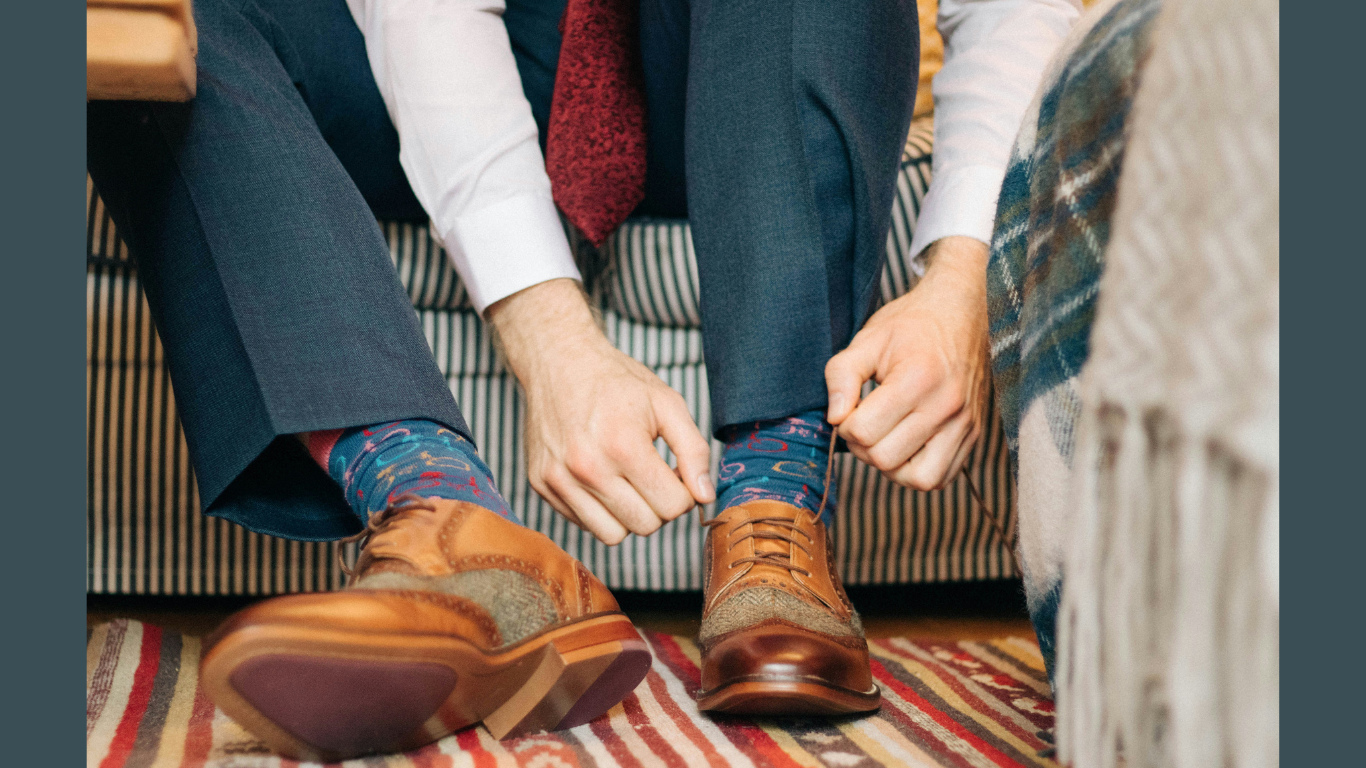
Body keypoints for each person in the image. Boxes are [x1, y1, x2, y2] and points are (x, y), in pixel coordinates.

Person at [87, 0, 1080, 758]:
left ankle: (771, 518)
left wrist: (963, 281)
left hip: (732, 71)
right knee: (153, 18)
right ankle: (445, 523)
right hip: (466, 62)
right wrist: (550, 335)